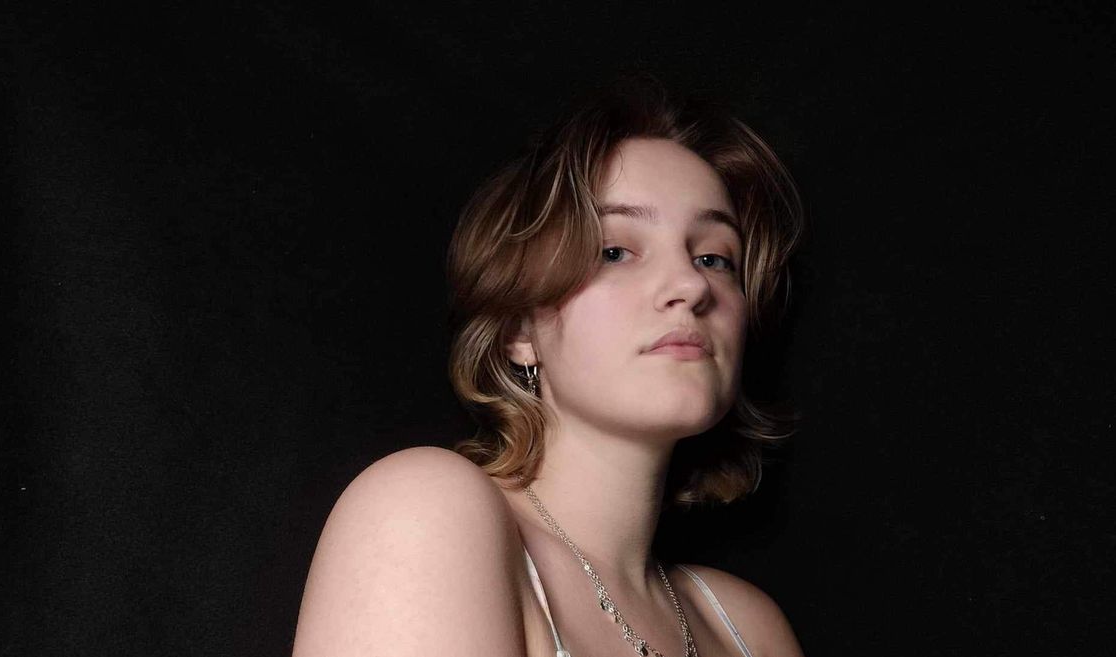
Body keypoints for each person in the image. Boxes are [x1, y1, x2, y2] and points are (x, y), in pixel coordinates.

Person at [292, 74, 807, 657]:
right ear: (518, 329)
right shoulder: (424, 512)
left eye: (715, 257)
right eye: (614, 251)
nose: (691, 285)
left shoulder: (747, 628)